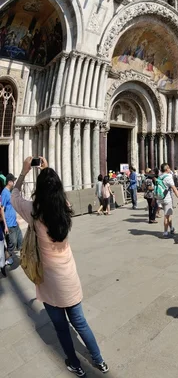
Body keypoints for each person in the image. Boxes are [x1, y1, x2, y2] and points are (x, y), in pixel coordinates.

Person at [13, 156, 110, 377]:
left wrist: (24, 171)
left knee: (61, 327)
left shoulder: (34, 213)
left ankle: (75, 364)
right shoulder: (65, 209)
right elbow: (57, 194)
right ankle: (99, 360)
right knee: (80, 322)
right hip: (68, 275)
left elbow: (14, 196)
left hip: (49, 279)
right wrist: (49, 171)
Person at [2, 174, 21, 266]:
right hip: (9, 223)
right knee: (12, 242)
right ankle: (7, 257)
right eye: (13, 181)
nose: (14, 182)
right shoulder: (4, 193)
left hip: (14, 222)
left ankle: (22, 255)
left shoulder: (10, 192)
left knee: (20, 239)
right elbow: (2, 209)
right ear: (9, 182)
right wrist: (5, 225)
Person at [158, 163, 178, 238]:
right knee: (167, 215)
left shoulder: (160, 176)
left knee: (169, 214)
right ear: (167, 169)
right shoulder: (168, 176)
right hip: (167, 198)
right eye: (169, 167)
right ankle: (165, 232)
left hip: (160, 198)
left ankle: (171, 228)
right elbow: (174, 189)